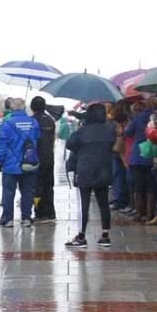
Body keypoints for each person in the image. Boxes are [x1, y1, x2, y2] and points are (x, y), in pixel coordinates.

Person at [64, 103, 118, 248]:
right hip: (104, 170)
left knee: (84, 204)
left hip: (85, 171)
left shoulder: (83, 132)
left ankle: (81, 236)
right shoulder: (109, 131)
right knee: (103, 204)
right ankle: (105, 235)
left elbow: (70, 144)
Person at [0, 98, 40, 228]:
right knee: (28, 192)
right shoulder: (33, 122)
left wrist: (0, 160)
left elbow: (2, 145)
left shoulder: (7, 123)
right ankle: (26, 218)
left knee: (8, 192)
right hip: (29, 162)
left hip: (10, 164)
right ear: (24, 107)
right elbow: (37, 139)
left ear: (12, 108)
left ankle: (7, 219)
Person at [30, 96, 56, 222]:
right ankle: (51, 212)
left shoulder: (32, 121)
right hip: (49, 157)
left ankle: (40, 213)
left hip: (36, 157)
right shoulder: (50, 120)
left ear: (32, 107)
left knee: (37, 187)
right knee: (49, 186)